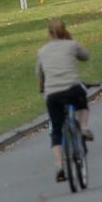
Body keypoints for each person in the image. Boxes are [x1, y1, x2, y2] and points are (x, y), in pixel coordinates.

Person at [37, 19, 93, 182]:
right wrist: (72, 42)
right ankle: (84, 127)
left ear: (49, 34)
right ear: (65, 31)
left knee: (56, 130)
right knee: (82, 103)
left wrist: (42, 88)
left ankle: (59, 165)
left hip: (53, 94)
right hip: (72, 89)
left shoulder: (42, 51)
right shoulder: (71, 45)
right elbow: (85, 56)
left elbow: (40, 73)